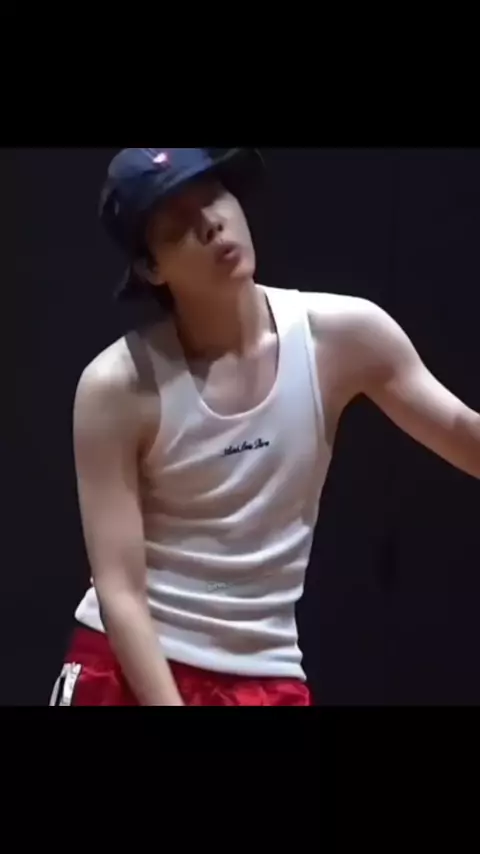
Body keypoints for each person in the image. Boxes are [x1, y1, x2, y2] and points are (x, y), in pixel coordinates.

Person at [50, 148, 480, 706]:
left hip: (263, 669)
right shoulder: (117, 386)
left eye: (214, 197)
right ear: (151, 268)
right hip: (128, 666)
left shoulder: (344, 337)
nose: (210, 224)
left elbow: (464, 435)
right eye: (177, 224)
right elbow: (119, 590)